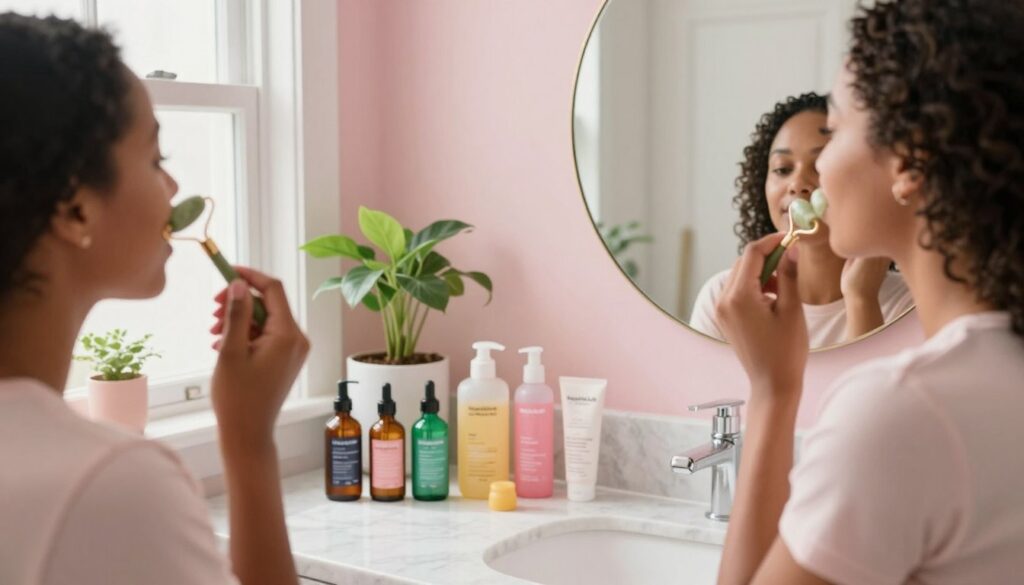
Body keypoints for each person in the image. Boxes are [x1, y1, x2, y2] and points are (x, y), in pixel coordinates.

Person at [714, 0, 1024, 583]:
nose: (815, 173)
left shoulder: (906, 413)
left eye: (832, 133)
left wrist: (773, 392)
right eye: (784, 167)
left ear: (910, 159)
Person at [0, 13, 306, 585]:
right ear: (75, 207)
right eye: (154, 159)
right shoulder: (106, 485)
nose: (171, 189)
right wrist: (249, 441)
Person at [689, 93, 914, 348]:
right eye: (783, 169)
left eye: (819, 165)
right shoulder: (725, 299)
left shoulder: (909, 304)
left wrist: (862, 299)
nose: (796, 184)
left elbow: (872, 389)